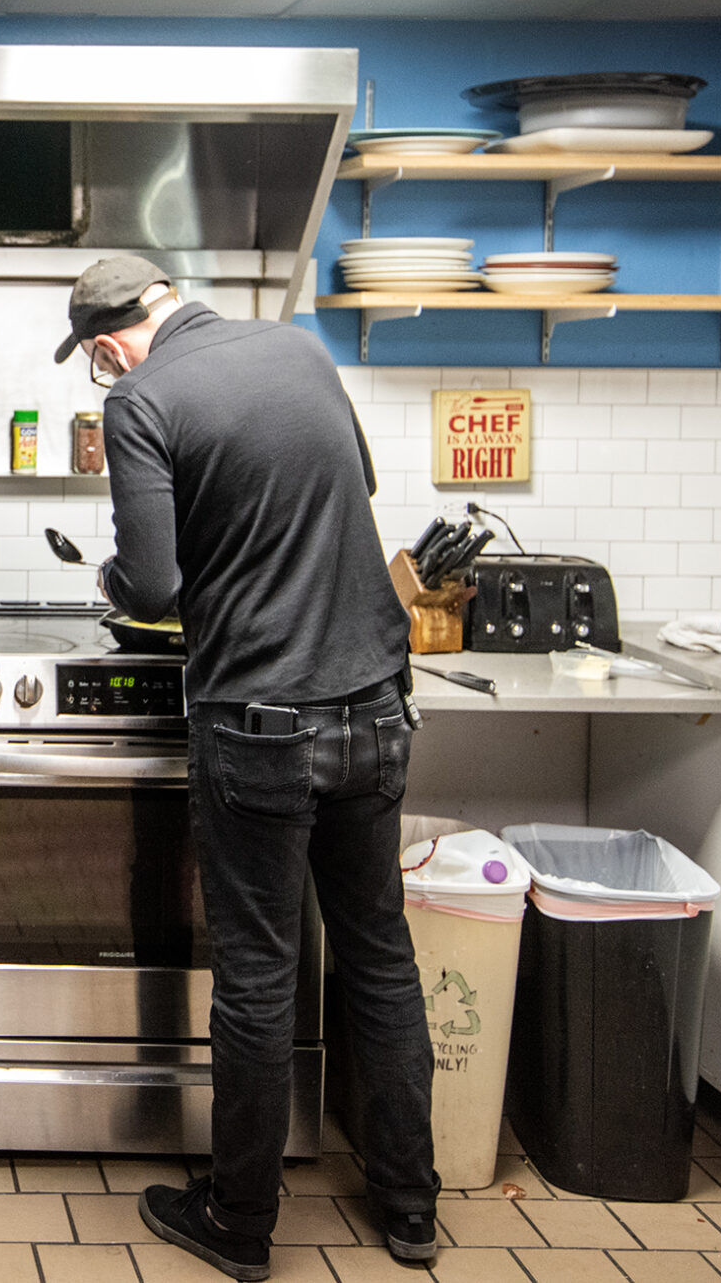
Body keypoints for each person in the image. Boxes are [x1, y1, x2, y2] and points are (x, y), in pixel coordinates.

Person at [57, 256, 438, 1278]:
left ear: (105, 343)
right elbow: (350, 483)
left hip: (262, 721)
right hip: (375, 704)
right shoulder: (297, 346)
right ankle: (410, 1209)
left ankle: (240, 1221)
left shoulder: (141, 398)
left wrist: (110, 570)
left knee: (260, 977)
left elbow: (150, 583)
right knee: (379, 957)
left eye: (96, 359)